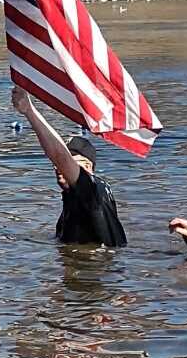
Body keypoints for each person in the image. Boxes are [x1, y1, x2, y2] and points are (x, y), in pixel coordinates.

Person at [11, 85, 126, 247]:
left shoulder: (93, 191)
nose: (59, 167)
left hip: (97, 269)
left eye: (71, 163)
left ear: (88, 167)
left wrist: (29, 111)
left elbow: (59, 156)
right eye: (56, 165)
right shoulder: (74, 200)